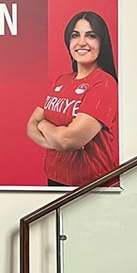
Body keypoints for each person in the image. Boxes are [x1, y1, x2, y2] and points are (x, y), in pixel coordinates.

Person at [26, 10, 118, 186]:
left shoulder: (104, 84)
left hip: (90, 187)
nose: (81, 42)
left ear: (102, 42)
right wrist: (58, 140)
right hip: (55, 178)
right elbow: (31, 126)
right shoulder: (62, 81)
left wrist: (44, 125)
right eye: (75, 35)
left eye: (91, 35)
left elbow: (69, 140)